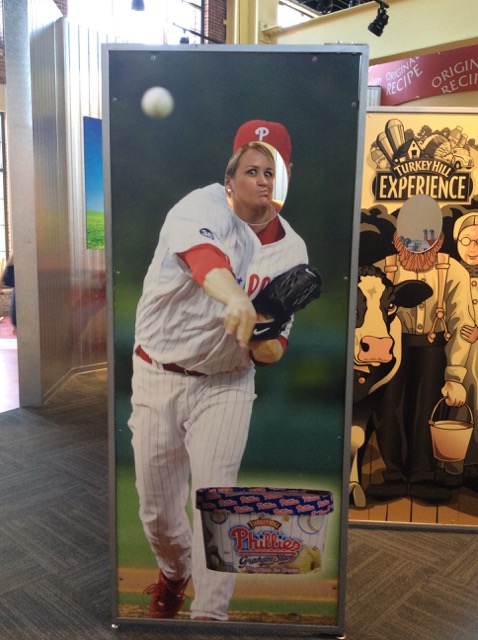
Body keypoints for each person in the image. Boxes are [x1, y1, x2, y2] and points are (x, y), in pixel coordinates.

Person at [128, 122, 309, 621]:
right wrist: (236, 299)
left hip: (226, 384)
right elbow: (207, 263)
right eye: (251, 169)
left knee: (218, 502)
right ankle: (173, 573)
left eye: (272, 170)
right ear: (229, 178)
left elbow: (274, 353)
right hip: (158, 372)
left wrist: (261, 334)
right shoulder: (199, 207)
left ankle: (210, 617)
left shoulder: (292, 252)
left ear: (287, 177)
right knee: (158, 513)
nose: (262, 179)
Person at [366, 195, 473, 505]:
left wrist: (454, 374)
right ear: (399, 234)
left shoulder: (453, 271)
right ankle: (394, 474)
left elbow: (463, 325)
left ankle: (423, 474)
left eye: (426, 233)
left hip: (433, 349)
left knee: (427, 409)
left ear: (437, 236)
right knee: (389, 409)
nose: (418, 242)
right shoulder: (381, 268)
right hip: (393, 351)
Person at [441, 212, 478, 490]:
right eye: (466, 240)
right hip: (459, 355)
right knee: (458, 407)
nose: (472, 247)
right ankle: (454, 465)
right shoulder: (452, 273)